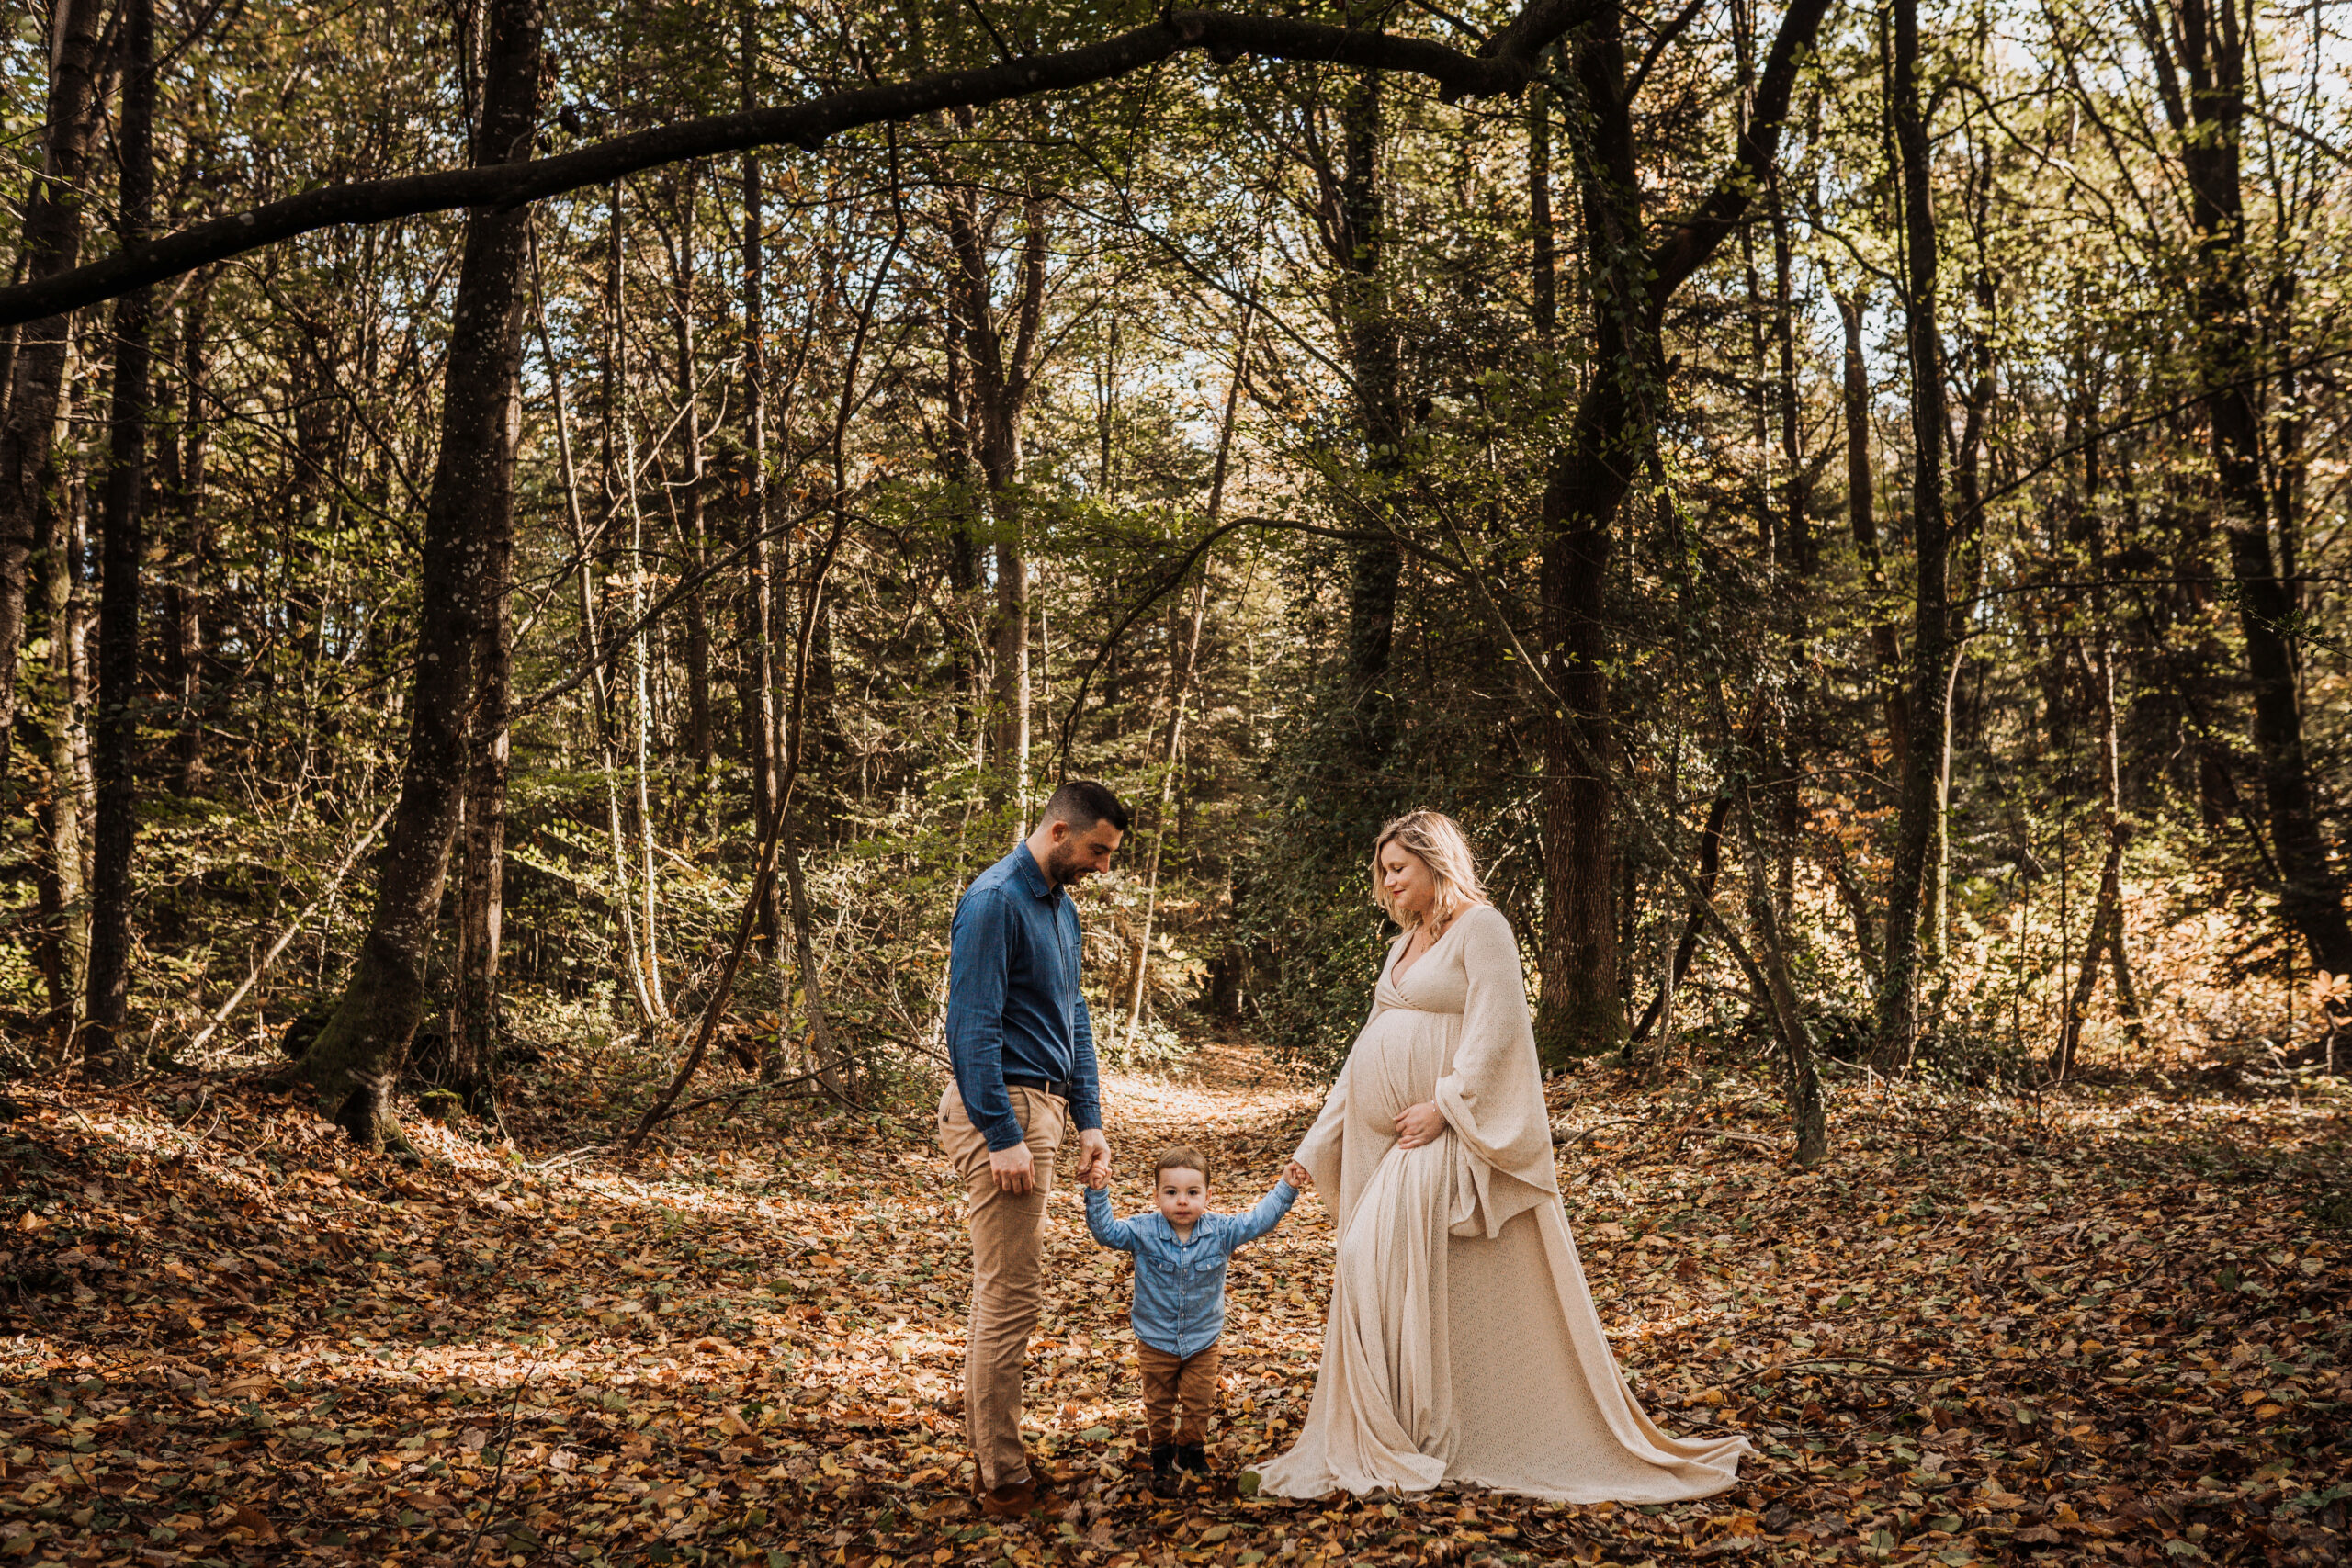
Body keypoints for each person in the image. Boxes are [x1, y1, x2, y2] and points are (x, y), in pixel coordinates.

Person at [1254, 810, 1748, 1503]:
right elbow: (1361, 1054)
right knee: (1370, 1262)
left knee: (1375, 1258)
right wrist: (1313, 1147)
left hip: (1442, 1133)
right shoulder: (1402, 945)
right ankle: (1402, 1424)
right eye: (1384, 870)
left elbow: (1498, 1031)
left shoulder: (1482, 928)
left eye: (1399, 867)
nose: (1387, 880)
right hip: (1398, 1140)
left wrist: (1447, 1105)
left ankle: (1423, 1427)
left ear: (1436, 861)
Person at [939, 780, 1127, 1517]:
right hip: (1005, 1107)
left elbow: (1072, 1015)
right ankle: (1004, 1480)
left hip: (1043, 1103)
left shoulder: (1061, 910)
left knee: (1008, 1293)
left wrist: (1090, 1119)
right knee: (1010, 1295)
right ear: (1057, 831)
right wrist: (1002, 1133)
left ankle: (998, 1462)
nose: (1102, 867)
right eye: (1097, 851)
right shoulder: (994, 900)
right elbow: (971, 1025)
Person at [1083, 1145, 1311, 1495]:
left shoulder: (1221, 1232)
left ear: (1208, 1194)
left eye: (1192, 1193)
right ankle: (1160, 1454)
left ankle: (1190, 1451)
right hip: (1155, 1338)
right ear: (1157, 1194)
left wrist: (1287, 1186)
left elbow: (1259, 1220)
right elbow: (1107, 1233)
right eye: (1171, 1193)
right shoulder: (1143, 1232)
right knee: (1157, 1402)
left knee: (1198, 1400)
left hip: (1203, 1341)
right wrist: (1098, 1192)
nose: (1182, 1202)